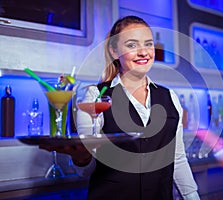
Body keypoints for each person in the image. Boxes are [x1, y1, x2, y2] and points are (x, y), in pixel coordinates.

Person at [42, 15, 200, 200]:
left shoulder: (170, 97)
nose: (143, 52)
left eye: (148, 44)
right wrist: (82, 158)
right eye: (132, 45)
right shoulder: (95, 95)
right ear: (114, 51)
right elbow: (87, 171)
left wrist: (193, 197)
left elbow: (178, 159)